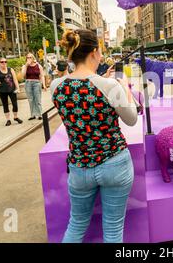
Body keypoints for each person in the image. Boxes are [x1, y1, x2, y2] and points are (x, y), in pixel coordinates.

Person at [51, 29, 138, 243]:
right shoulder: (109, 85)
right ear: (94, 53)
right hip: (114, 162)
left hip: (79, 166)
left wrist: (106, 82)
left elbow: (83, 99)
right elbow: (132, 118)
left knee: (76, 224)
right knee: (113, 229)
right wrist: (123, 87)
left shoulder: (56, 86)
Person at [0, 57, 23, 126]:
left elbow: (15, 79)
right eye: (2, 62)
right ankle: (8, 120)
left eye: (5, 62)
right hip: (2, 90)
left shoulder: (10, 69)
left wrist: (18, 88)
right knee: (5, 105)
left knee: (15, 104)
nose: (4, 63)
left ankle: (15, 117)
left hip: (12, 89)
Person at [22, 53, 47, 121]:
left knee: (37, 99)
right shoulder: (25, 66)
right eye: (27, 57)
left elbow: (42, 76)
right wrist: (26, 66)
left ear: (33, 58)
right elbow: (23, 76)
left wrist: (44, 85)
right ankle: (33, 115)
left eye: (30, 57)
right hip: (28, 83)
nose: (29, 59)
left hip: (37, 83)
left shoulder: (38, 66)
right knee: (31, 99)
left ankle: (39, 114)